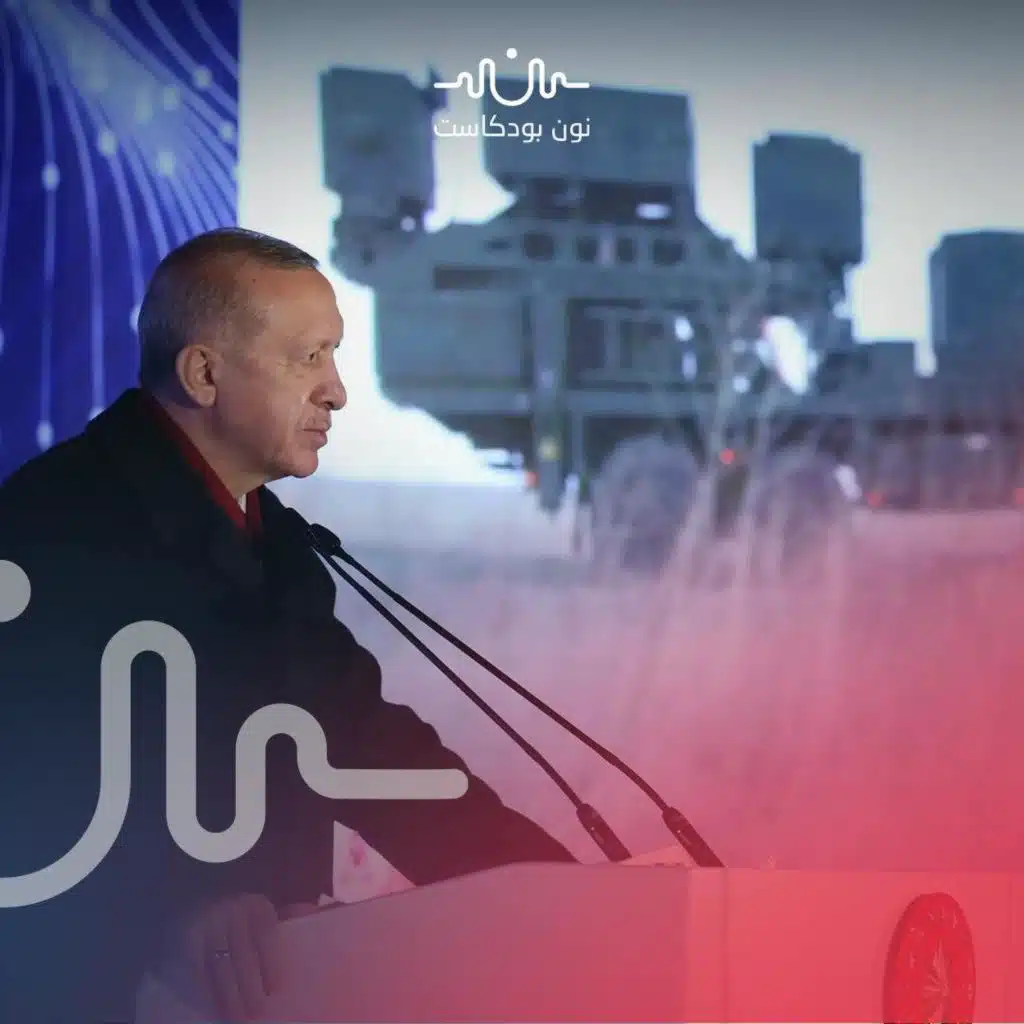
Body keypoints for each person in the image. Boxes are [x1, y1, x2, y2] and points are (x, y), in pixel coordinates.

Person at [0, 228, 575, 1022]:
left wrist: (556, 887)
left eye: (333, 357)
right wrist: (167, 912)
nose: (337, 392)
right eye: (309, 358)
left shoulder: (279, 549)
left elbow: (371, 751)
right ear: (204, 374)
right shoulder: (46, 529)